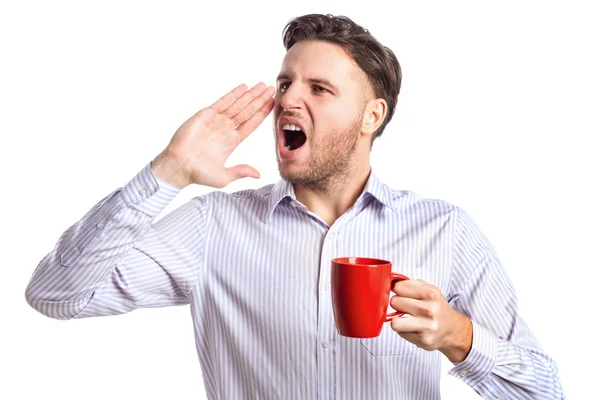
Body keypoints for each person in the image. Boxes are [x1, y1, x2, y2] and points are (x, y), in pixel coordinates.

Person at [25, 13, 564, 399]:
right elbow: (55, 296)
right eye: (285, 82)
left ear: (371, 116)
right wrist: (167, 171)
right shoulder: (216, 225)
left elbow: (545, 392)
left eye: (319, 88)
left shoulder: (445, 231)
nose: (287, 99)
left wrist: (460, 338)